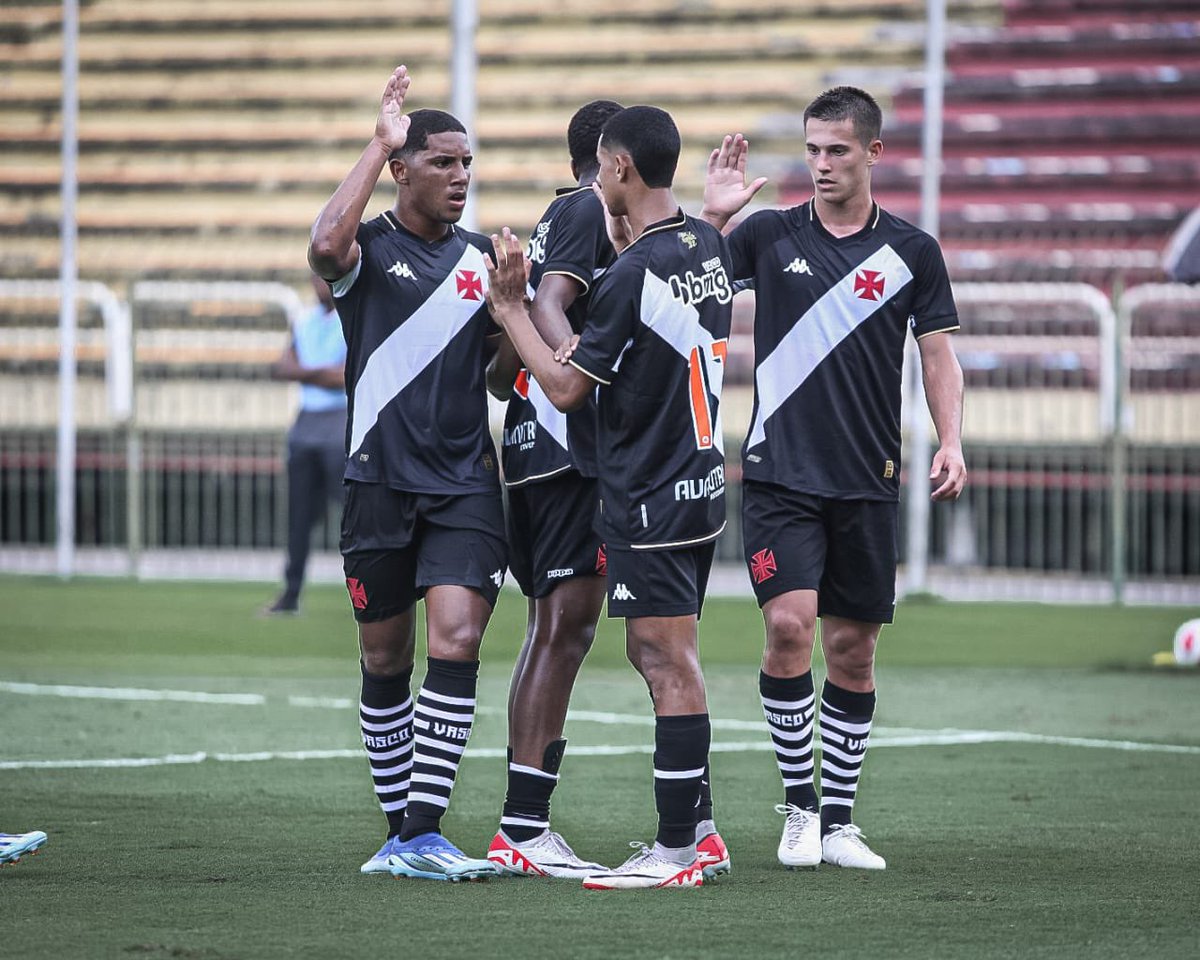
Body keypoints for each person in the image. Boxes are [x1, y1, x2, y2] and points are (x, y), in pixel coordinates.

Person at [706, 85, 966, 871]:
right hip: (779, 472)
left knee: (852, 649)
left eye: (838, 150)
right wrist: (714, 218)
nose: (821, 164)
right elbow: (683, 275)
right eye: (813, 149)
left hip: (866, 478)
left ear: (873, 152)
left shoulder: (913, 251)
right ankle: (801, 809)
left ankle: (841, 823)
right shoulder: (768, 234)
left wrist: (951, 439)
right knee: (789, 628)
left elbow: (937, 354)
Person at [485, 105, 734, 890]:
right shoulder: (697, 241)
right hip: (669, 472)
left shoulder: (624, 257)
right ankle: (668, 832)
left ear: (616, 166)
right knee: (597, 636)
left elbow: (552, 368)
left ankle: (675, 843)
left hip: (634, 473)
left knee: (640, 647)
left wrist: (511, 312)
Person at [308, 65, 504, 882]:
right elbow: (324, 249)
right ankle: (401, 836)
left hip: (465, 483)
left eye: (467, 163)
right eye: (442, 162)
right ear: (402, 169)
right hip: (378, 482)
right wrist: (376, 139)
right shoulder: (368, 249)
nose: (460, 176)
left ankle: (423, 831)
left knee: (457, 638)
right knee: (386, 658)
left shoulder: (484, 259)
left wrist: (516, 312)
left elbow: (501, 378)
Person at [481, 99, 621, 881]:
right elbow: (545, 309)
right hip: (570, 448)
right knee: (565, 631)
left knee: (548, 631)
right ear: (611, 156)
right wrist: (584, 372)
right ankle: (523, 828)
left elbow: (502, 366)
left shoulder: (556, 217)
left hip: (534, 445)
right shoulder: (585, 211)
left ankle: (522, 822)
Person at [262, 273, 347, 616]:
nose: (318, 283)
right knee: (298, 516)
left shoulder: (353, 316)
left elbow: (345, 376)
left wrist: (304, 372)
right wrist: (321, 374)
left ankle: (368, 591)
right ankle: (291, 593)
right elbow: (282, 367)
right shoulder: (304, 320)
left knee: (353, 514)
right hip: (306, 423)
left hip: (341, 420)